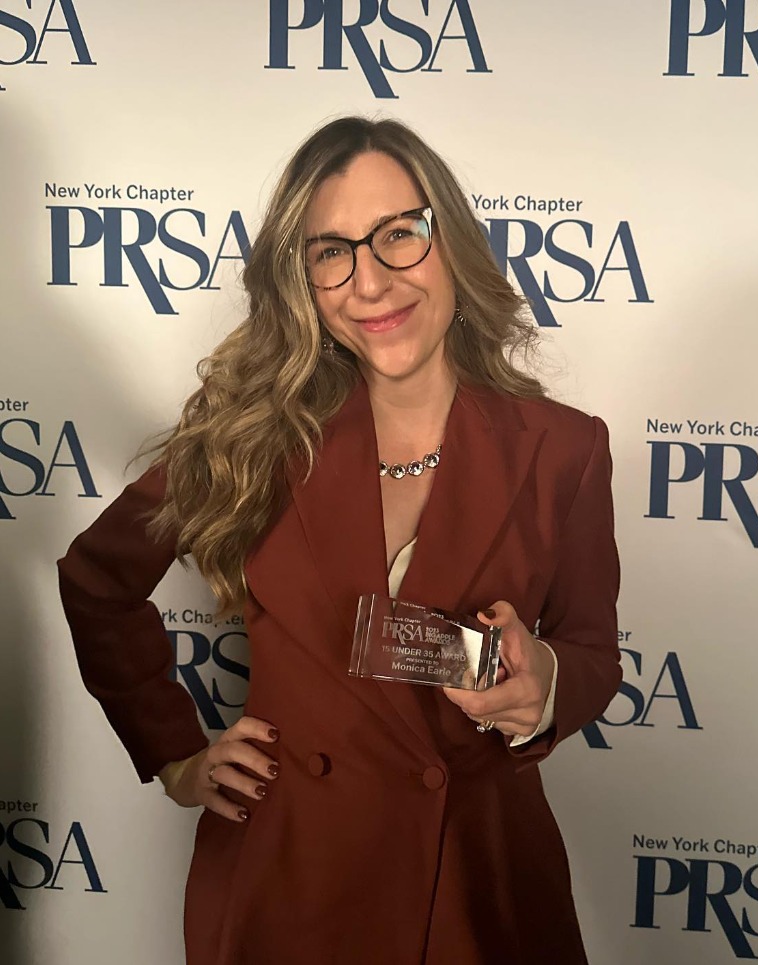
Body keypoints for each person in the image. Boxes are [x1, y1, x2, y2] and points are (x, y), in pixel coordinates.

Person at [58, 116, 621, 965]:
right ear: (303, 281)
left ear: (450, 240)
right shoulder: (251, 437)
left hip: (477, 886)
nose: (371, 281)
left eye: (399, 234)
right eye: (332, 252)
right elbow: (97, 581)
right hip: (291, 880)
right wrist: (175, 754)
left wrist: (544, 681)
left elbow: (591, 651)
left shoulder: (564, 447)